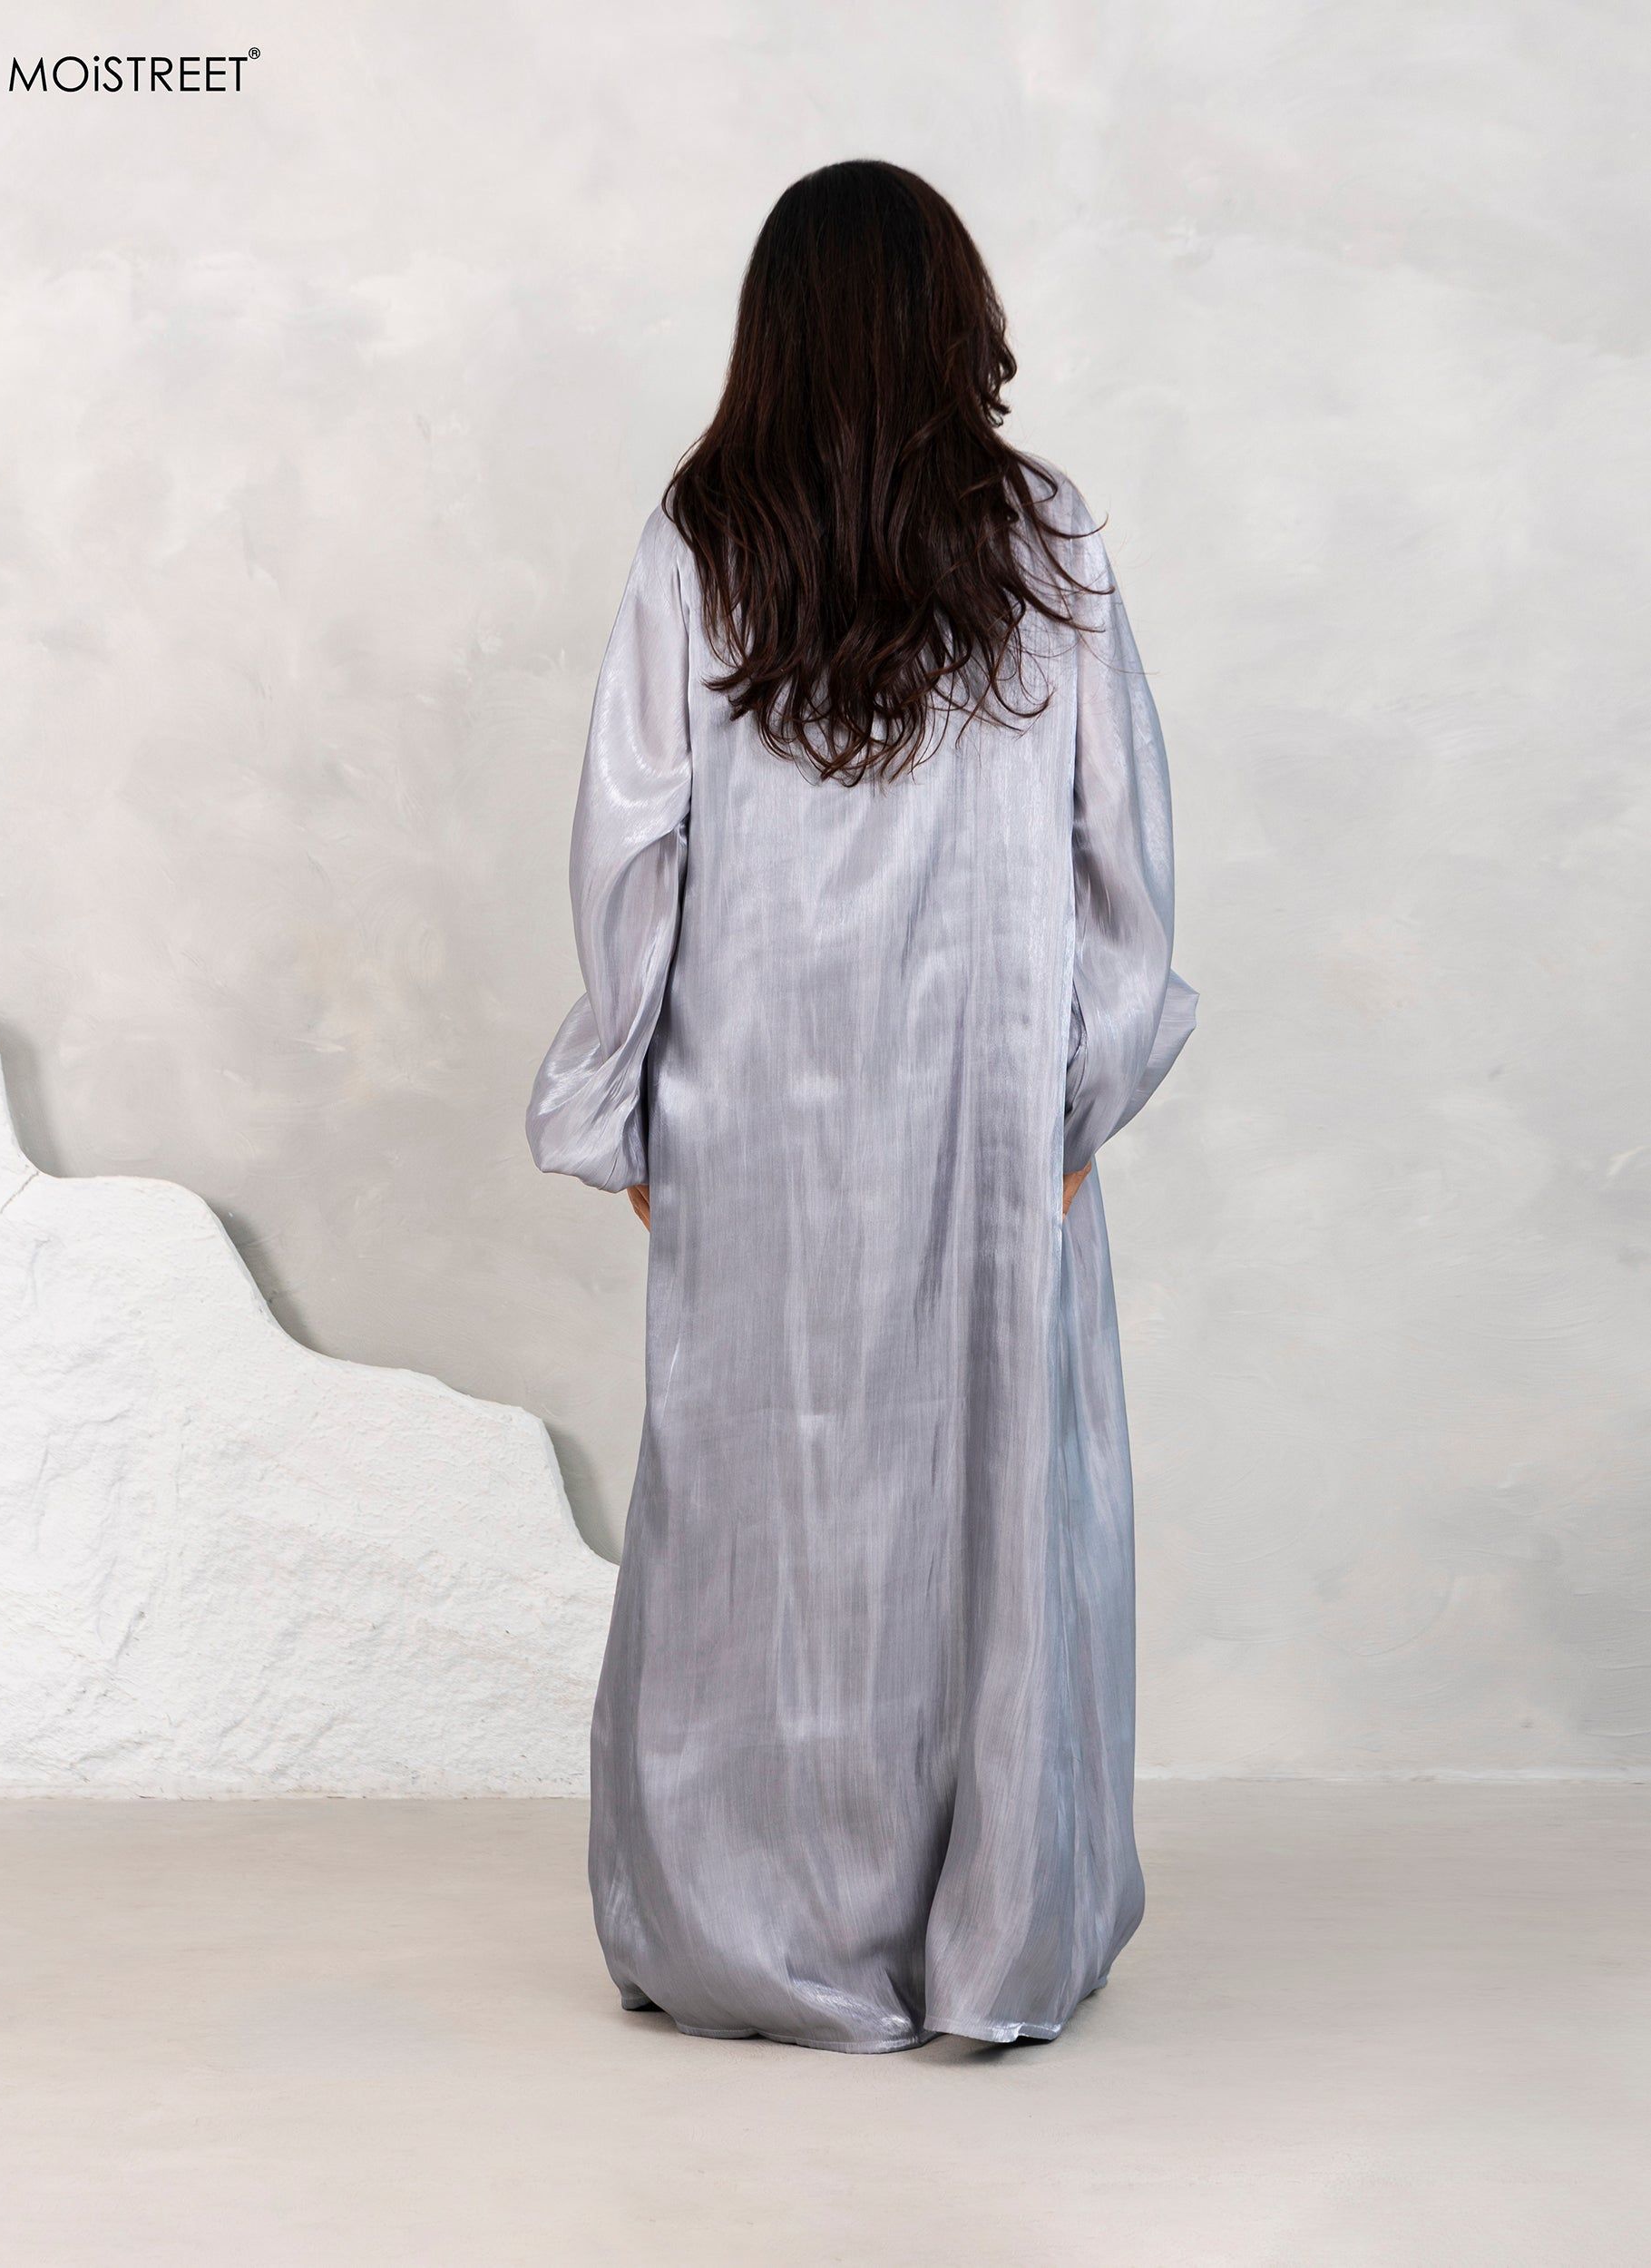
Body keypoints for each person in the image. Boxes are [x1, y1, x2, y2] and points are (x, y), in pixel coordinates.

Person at [527, 158, 1197, 2053]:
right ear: (951, 312)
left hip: (750, 1100)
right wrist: (1073, 1102)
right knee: (991, 1506)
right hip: (987, 1106)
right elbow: (1125, 856)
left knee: (760, 1510)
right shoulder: (1040, 534)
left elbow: (630, 842)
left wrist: (624, 1097)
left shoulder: (704, 536)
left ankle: (744, 1926)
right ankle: (985, 1934)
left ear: (775, 328)